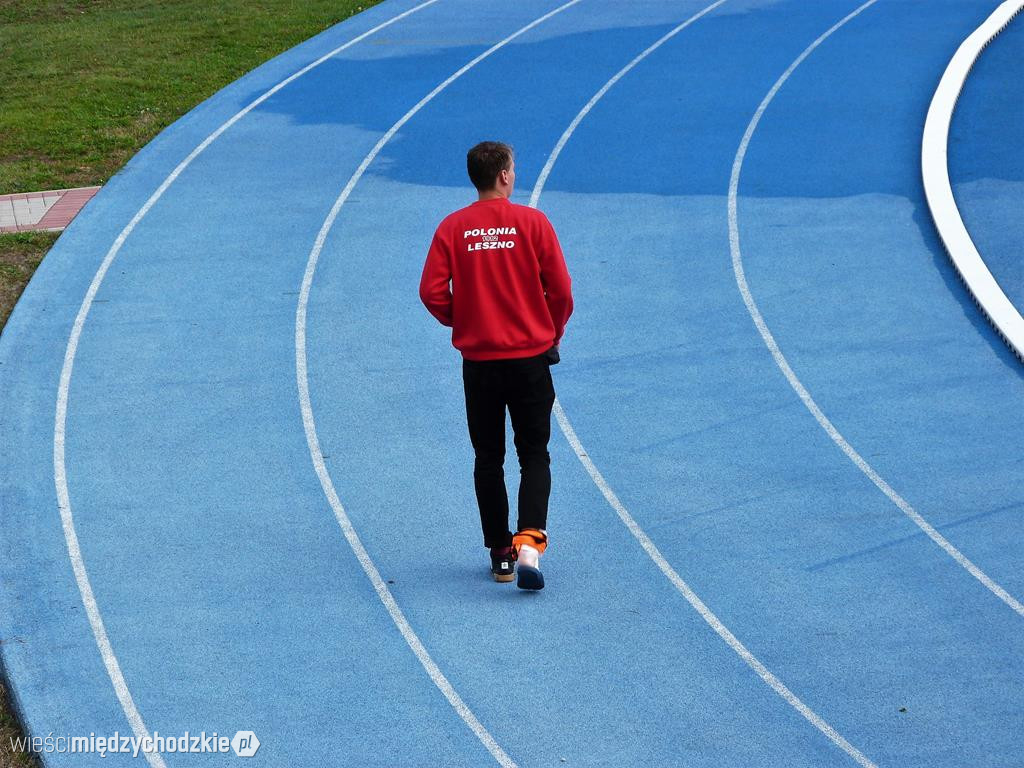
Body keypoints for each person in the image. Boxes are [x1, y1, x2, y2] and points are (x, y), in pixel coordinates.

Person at [419, 141, 573, 590]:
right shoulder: (533, 223)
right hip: (530, 360)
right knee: (534, 455)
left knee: (488, 457)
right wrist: (552, 330)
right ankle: (530, 543)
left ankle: (500, 555)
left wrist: (463, 319)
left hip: (480, 363)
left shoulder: (453, 227)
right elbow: (561, 290)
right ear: (505, 175)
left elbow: (431, 292)